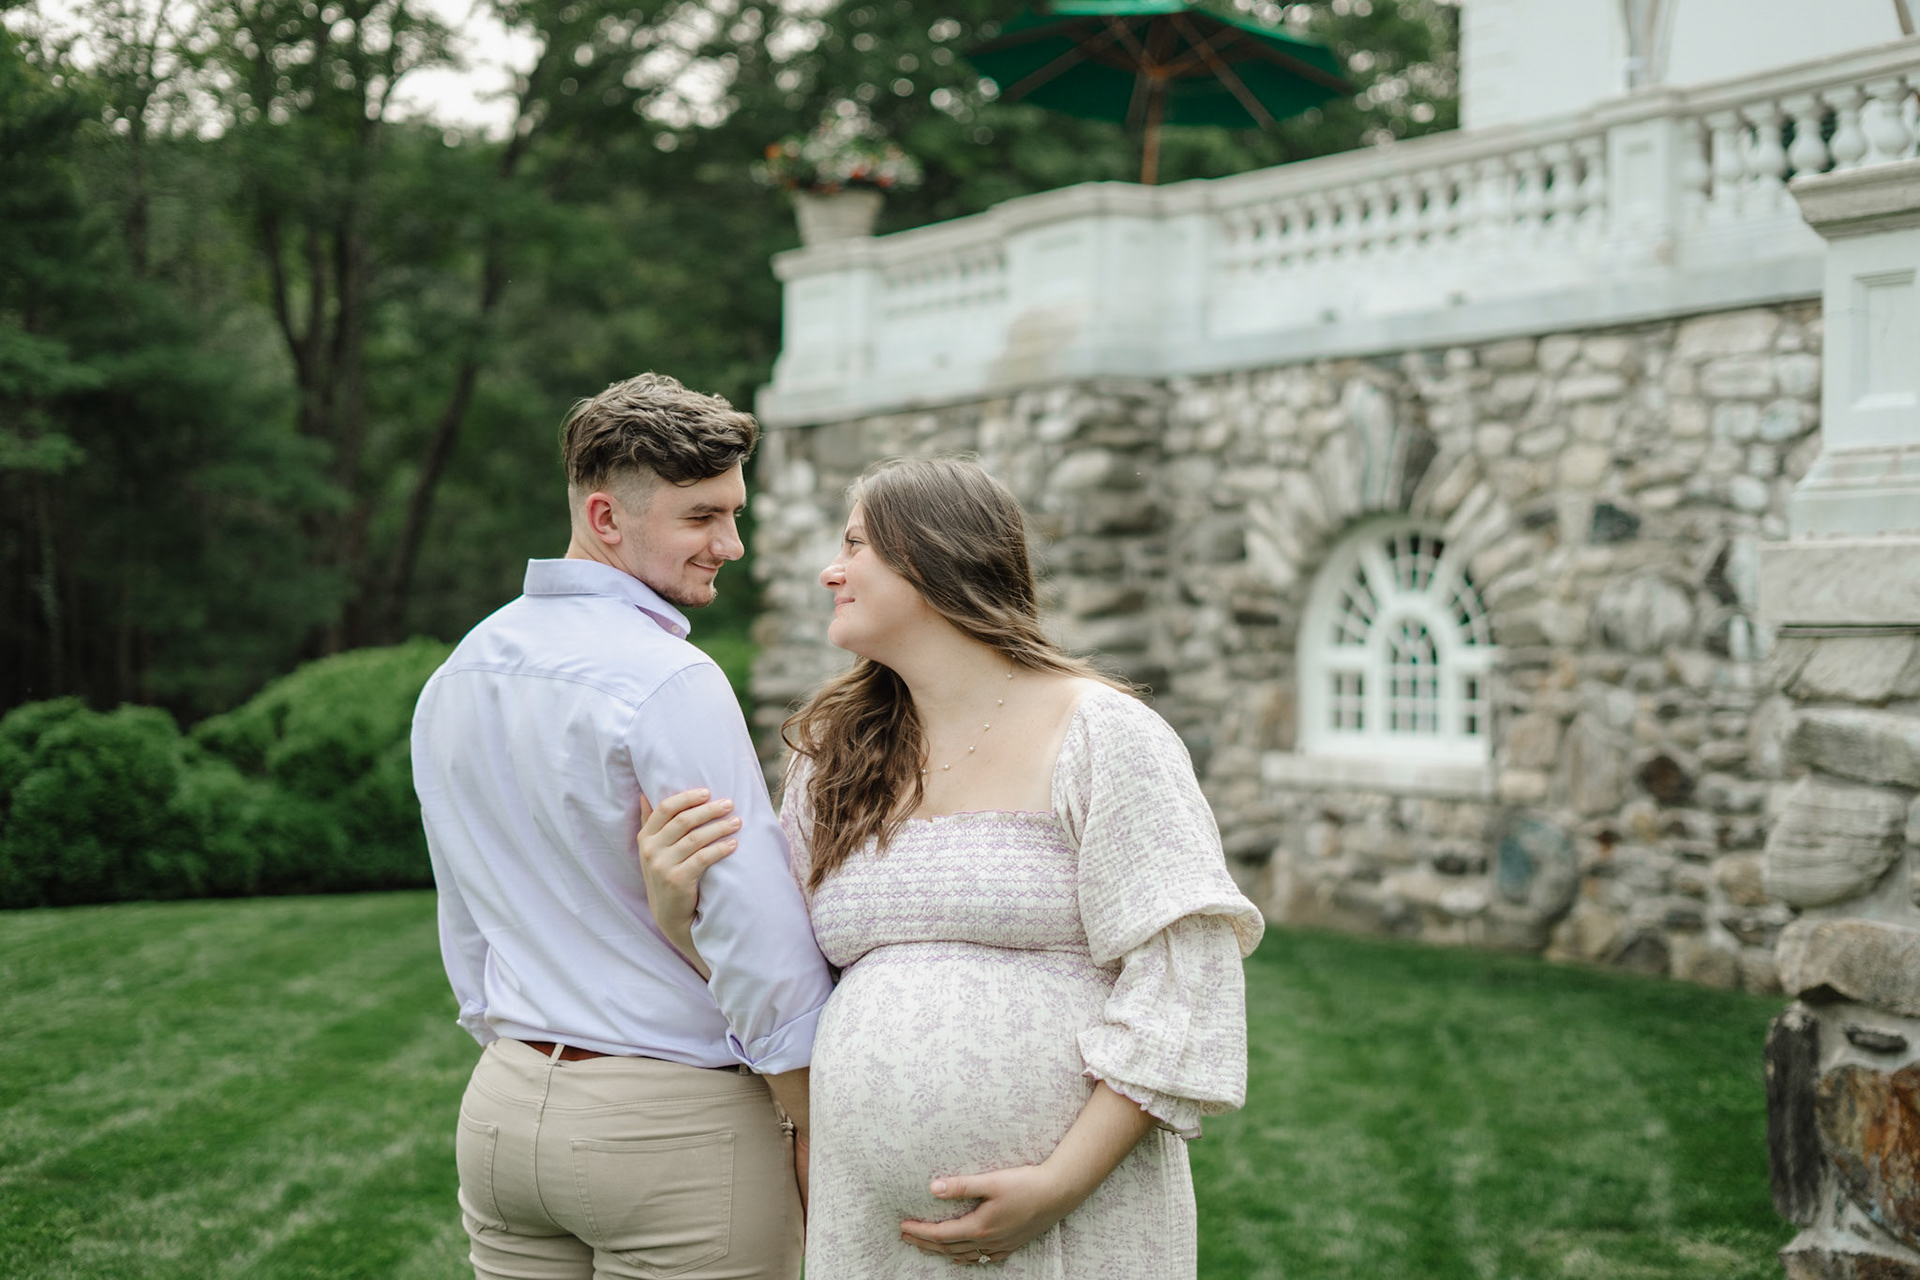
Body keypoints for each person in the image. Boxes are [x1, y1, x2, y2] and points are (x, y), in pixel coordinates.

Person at [640, 455, 1264, 1276]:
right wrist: (676, 917)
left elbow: (1185, 979)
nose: (831, 571)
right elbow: (780, 975)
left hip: (1075, 1222)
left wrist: (1059, 1185)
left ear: (933, 557)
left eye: (855, 544)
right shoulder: (833, 756)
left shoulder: (1103, 734)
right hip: (870, 1226)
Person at [411, 373, 834, 1280]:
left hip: (501, 1113)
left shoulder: (459, 671)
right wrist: (814, 1124)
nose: (731, 545)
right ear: (605, 517)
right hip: (672, 1128)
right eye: (701, 517)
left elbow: (465, 913)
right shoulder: (669, 681)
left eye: (734, 514)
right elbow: (752, 930)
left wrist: (516, 1042)